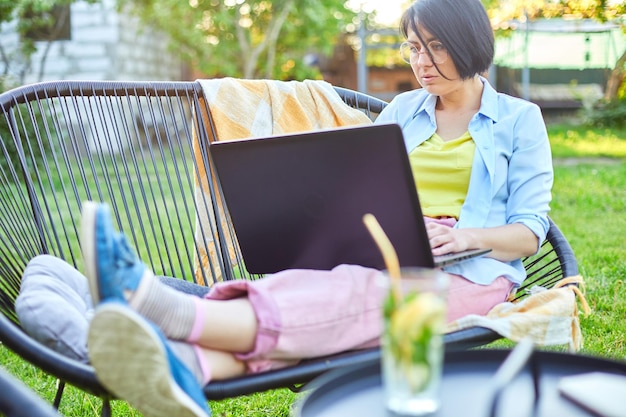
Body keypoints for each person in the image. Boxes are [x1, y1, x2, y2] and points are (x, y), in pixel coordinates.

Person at [19, 0, 553, 416]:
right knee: (326, 282)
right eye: (413, 47)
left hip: (470, 275)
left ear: (468, 42)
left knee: (357, 292)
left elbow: (530, 231)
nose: (421, 62)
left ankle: (162, 307)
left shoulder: (518, 119)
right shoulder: (403, 109)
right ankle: (187, 364)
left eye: (434, 47)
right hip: (390, 250)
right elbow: (370, 179)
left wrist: (465, 237)